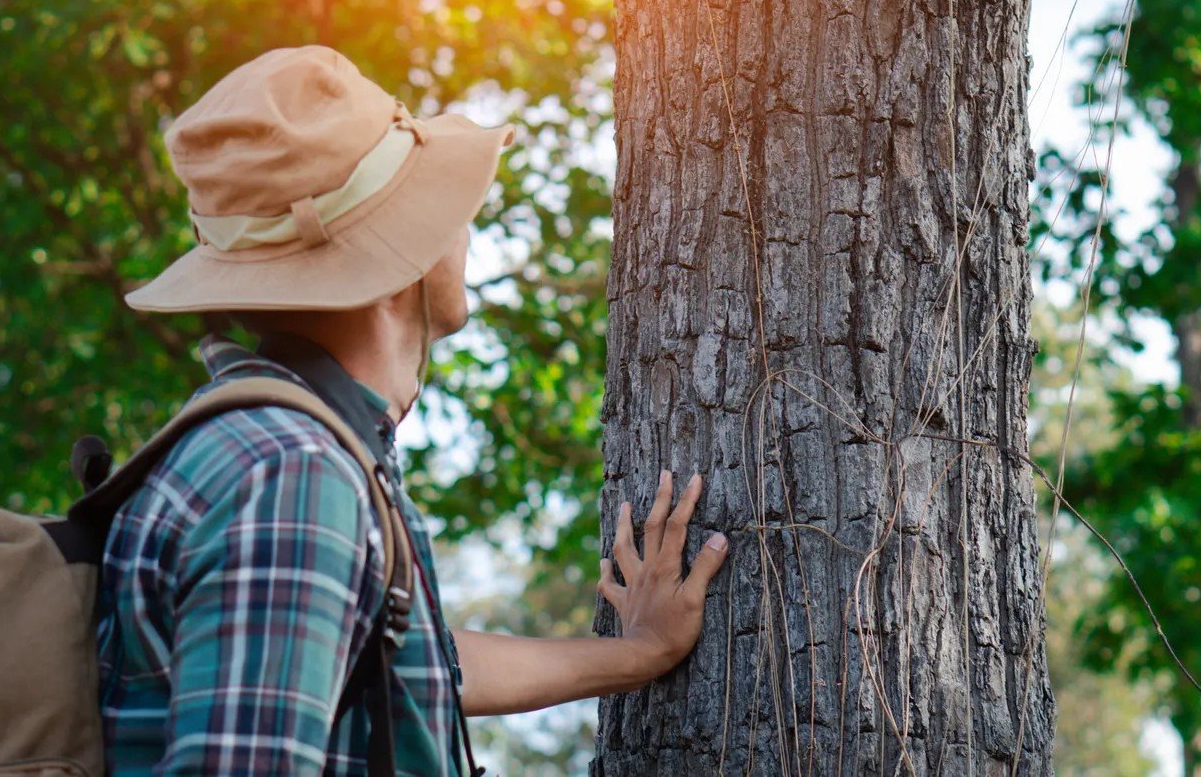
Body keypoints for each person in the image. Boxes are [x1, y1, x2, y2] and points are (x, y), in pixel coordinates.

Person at [97, 46, 729, 775]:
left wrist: (641, 652)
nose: (463, 229)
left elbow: (403, 665)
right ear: (402, 254)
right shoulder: (294, 475)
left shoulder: (276, 447)